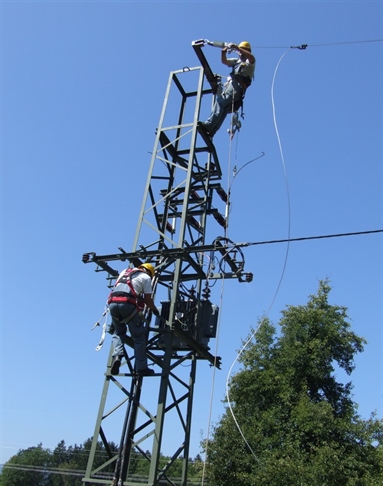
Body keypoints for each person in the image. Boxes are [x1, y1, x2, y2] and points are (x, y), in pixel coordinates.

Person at [107, 263, 159, 376]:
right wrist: (154, 310)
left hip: (113, 303)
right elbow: (148, 300)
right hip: (127, 305)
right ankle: (141, 368)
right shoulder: (146, 278)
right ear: (150, 273)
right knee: (139, 338)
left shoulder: (125, 271)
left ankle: (117, 357)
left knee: (118, 332)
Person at [199, 41, 255, 138]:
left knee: (221, 102)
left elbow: (251, 57)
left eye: (243, 50)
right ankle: (212, 130)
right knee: (223, 108)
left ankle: (209, 125)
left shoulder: (249, 62)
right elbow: (225, 61)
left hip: (237, 87)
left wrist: (237, 48)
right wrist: (223, 53)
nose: (241, 53)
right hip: (233, 86)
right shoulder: (237, 61)